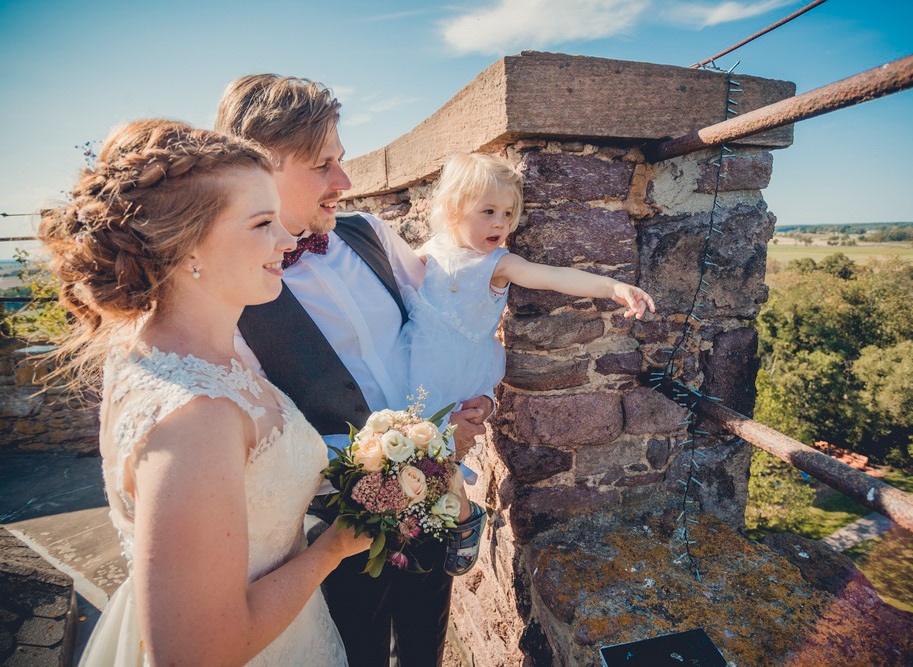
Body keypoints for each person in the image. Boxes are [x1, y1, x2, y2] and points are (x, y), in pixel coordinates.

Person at [39, 119, 370, 666]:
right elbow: (197, 653)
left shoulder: (170, 352)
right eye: (261, 223)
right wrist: (332, 549)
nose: (287, 240)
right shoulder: (196, 414)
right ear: (187, 246)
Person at [216, 74, 491, 667]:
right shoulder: (230, 290)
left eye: (340, 160)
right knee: (354, 653)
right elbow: (250, 433)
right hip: (328, 527)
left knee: (425, 644)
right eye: (322, 166)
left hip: (431, 497)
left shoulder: (370, 234)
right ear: (258, 167)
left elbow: (441, 327)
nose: (343, 181)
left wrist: (474, 397)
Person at [401, 152, 655, 571]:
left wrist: (612, 287)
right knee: (412, 454)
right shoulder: (428, 252)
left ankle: (463, 521)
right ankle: (418, 525)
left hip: (457, 371)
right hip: (415, 365)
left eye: (507, 213)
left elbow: (553, 277)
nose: (501, 224)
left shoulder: (497, 264)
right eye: (488, 212)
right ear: (454, 209)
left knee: (441, 456)